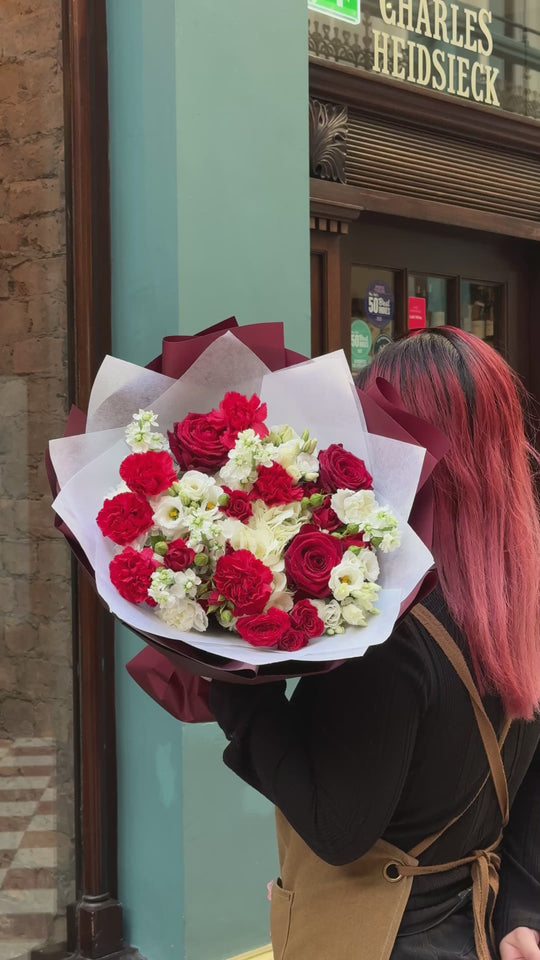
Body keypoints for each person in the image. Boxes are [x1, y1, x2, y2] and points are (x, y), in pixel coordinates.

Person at [209, 328, 540, 960]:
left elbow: (339, 830)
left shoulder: (391, 628)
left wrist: (233, 684)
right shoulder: (523, 600)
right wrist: (523, 901)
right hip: (479, 927)